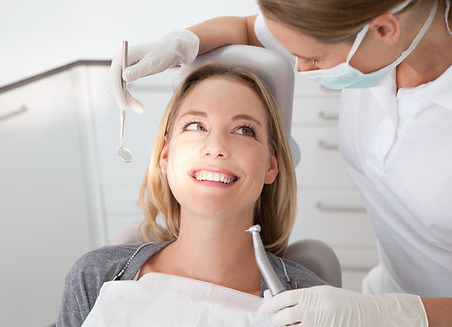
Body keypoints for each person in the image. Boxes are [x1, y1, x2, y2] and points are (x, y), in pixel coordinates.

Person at [107, 0, 452, 326]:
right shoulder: (100, 275)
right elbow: (245, 29)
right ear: (164, 153)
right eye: (196, 126)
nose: (300, 69)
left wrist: (395, 314)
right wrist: (181, 43)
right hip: (385, 291)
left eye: (313, 59)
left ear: (384, 30)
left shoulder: (301, 285)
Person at [57, 63, 326, 326]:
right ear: (165, 156)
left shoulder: (314, 304)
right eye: (196, 126)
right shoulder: (92, 276)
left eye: (244, 130)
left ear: (271, 166)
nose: (215, 147)